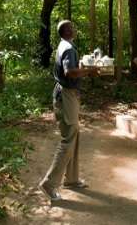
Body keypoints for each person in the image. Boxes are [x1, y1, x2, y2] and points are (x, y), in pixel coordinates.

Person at [39, 20, 99, 202]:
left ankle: (71, 179)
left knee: (74, 135)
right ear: (66, 31)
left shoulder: (65, 46)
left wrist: (82, 68)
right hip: (66, 97)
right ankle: (49, 184)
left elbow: (70, 70)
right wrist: (89, 71)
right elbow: (69, 72)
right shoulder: (68, 48)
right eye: (72, 26)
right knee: (68, 139)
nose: (74, 28)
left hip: (66, 95)